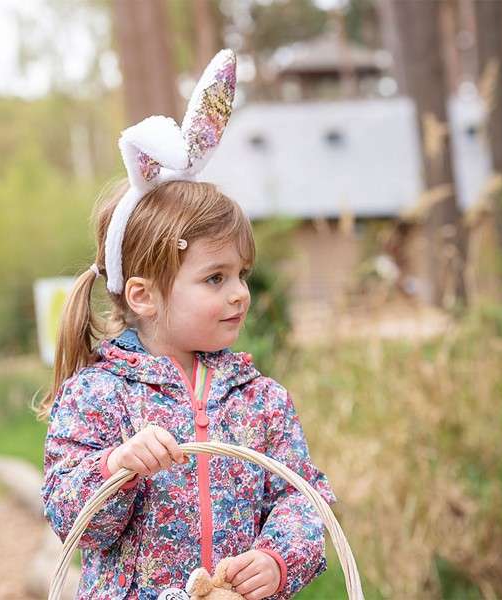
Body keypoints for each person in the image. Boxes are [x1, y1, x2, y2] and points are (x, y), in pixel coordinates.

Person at [40, 50, 337, 600]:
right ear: (144, 296)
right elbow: (68, 512)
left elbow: (303, 499)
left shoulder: (262, 401)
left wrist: (277, 560)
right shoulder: (96, 396)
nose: (240, 294)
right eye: (215, 278)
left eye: (241, 275)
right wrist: (115, 466)